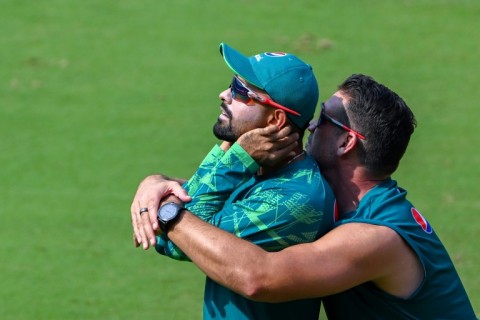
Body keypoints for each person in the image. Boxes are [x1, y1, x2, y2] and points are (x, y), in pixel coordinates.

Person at [132, 74, 476, 319]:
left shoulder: (377, 237)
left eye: (324, 119)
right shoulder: (336, 198)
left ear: (347, 143)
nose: (310, 125)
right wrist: (157, 182)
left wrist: (169, 215)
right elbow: (217, 195)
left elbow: (259, 278)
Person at [132, 42, 336, 320]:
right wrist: (153, 181)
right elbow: (187, 209)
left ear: (276, 119)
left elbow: (178, 240)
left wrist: (236, 157)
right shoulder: (256, 167)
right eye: (232, 84)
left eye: (241, 92)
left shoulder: (296, 198)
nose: (224, 94)